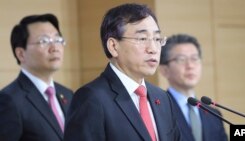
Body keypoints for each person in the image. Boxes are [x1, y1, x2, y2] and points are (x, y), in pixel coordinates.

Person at [64, 3, 181, 141]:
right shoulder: (91, 99)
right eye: (142, 39)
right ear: (113, 46)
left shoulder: (162, 98)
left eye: (157, 39)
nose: (153, 49)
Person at [0, 13, 73, 141]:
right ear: (21, 54)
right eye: (44, 41)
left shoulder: (67, 94)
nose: (55, 48)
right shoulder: (8, 100)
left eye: (58, 40)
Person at [159, 34, 228, 141]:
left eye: (194, 58)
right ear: (164, 70)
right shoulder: (158, 111)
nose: (190, 66)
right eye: (181, 59)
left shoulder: (214, 115)